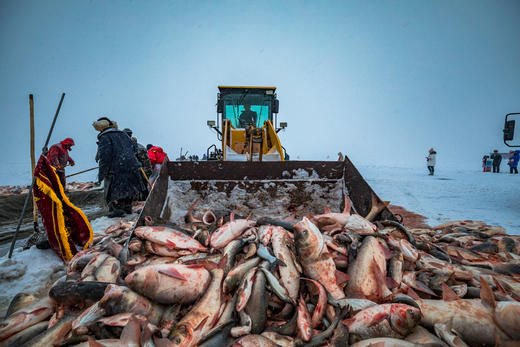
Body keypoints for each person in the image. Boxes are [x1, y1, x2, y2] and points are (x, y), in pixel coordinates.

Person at [93, 117, 147, 217]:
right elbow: (134, 148)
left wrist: (101, 175)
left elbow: (105, 157)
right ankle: (127, 208)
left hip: (116, 170)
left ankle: (117, 212)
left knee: (114, 193)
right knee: (128, 190)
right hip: (131, 168)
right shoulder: (123, 135)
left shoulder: (105, 137)